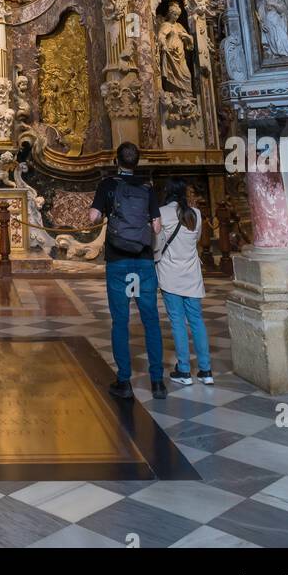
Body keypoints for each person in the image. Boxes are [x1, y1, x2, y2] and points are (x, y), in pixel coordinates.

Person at [89, 141, 166, 401]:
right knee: (151, 320)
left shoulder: (108, 185)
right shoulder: (147, 187)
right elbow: (156, 227)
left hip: (118, 260)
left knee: (120, 321)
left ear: (116, 160)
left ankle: (124, 380)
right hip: (143, 260)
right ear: (137, 161)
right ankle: (157, 382)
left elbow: (93, 217)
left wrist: (106, 215)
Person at [155, 178, 214, 387]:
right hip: (192, 274)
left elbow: (157, 242)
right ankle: (206, 370)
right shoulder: (196, 214)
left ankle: (184, 370)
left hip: (170, 274)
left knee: (178, 322)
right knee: (197, 321)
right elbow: (197, 239)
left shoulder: (162, 213)